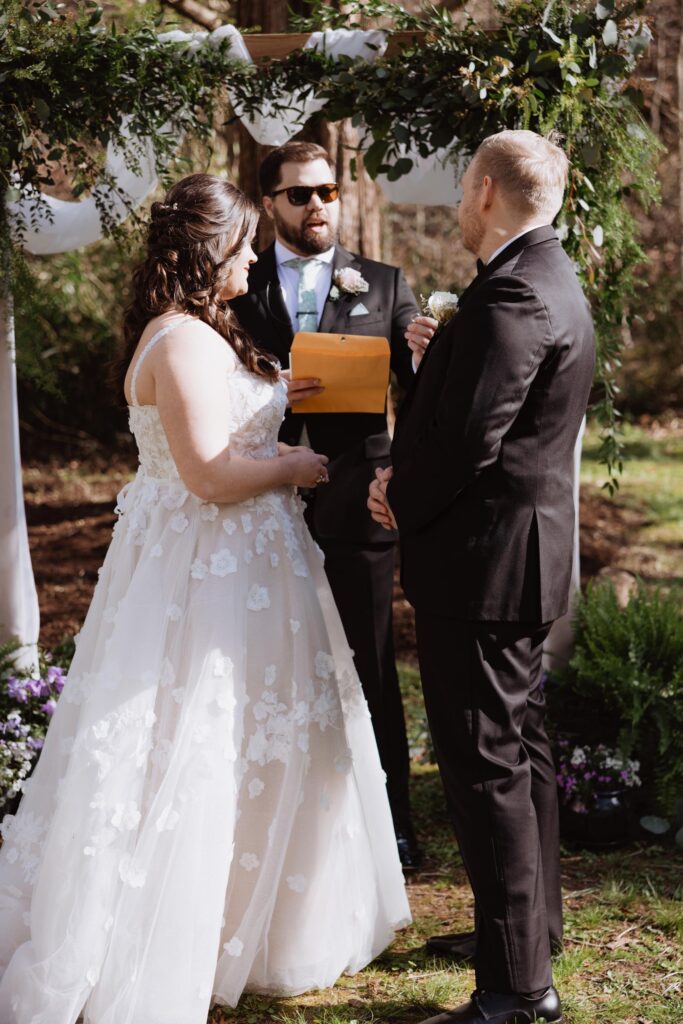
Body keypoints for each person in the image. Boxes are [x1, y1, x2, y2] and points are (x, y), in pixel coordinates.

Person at [0, 173, 410, 1024]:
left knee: (256, 733)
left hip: (244, 565)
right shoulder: (182, 340)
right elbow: (209, 475)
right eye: (243, 242)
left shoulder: (196, 332)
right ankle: (179, 927)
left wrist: (274, 403)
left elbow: (222, 430)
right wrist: (295, 464)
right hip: (209, 572)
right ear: (207, 251)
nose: (256, 254)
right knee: (198, 735)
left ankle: (251, 920)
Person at [368, 130, 596, 1024]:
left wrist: (395, 497)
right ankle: (529, 933)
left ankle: (515, 987)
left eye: (464, 188)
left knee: (485, 764)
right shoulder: (548, 278)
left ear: (489, 191)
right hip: (518, 559)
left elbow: (471, 442)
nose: (458, 204)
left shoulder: (508, 295)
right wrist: (432, 362)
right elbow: (485, 406)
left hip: (483, 565)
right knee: (521, 750)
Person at [231, 140, 431, 871]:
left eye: (328, 192)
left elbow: (418, 386)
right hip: (260, 500)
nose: (317, 205)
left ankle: (394, 822)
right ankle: (278, 827)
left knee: (369, 666)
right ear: (269, 204)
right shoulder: (238, 286)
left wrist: (420, 350)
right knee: (267, 663)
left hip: (356, 498)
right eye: (300, 194)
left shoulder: (381, 281)